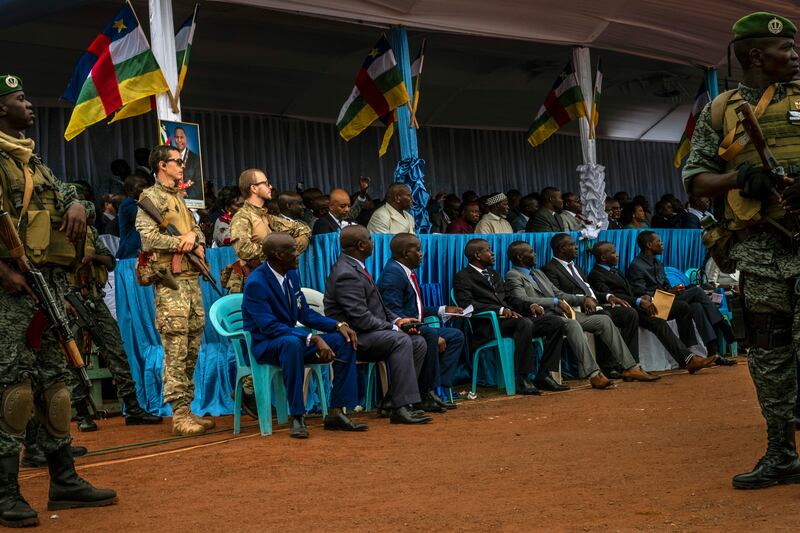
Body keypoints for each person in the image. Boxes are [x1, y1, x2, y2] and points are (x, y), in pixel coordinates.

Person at [681, 11, 800, 489]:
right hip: (758, 253)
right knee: (770, 356)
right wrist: (739, 178)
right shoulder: (720, 110)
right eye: (785, 50)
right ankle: (781, 453)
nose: (793, 57)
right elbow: (695, 179)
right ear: (755, 56)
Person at [0, 74, 116, 526]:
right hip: (12, 291)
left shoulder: (34, 160)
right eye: (20, 99)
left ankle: (64, 480)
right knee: (14, 390)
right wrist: (3, 271)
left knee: (54, 388)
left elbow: (68, 194)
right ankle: (6, 491)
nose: (29, 104)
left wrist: (79, 206)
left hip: (46, 285)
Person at [242, 233, 365, 438]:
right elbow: (269, 327)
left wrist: (338, 325)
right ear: (279, 255)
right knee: (292, 344)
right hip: (267, 345)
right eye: (293, 250)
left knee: (344, 339)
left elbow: (304, 313)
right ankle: (297, 415)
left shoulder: (290, 274)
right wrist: (313, 338)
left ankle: (336, 412)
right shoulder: (256, 283)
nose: (298, 253)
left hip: (292, 341)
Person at [135, 144, 214, 436]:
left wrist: (196, 240)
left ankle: (188, 409)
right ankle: (179, 416)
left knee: (193, 345)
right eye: (176, 162)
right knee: (176, 348)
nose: (181, 166)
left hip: (191, 281)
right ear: (161, 166)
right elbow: (148, 239)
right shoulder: (150, 198)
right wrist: (182, 243)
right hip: (171, 282)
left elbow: (198, 231)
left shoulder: (178, 197)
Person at [64, 208, 163, 431]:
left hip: (93, 299)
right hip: (70, 301)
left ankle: (133, 407)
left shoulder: (90, 235)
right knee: (75, 358)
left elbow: (110, 262)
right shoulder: (57, 236)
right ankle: (82, 414)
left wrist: (92, 257)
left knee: (116, 350)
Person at [323, 225, 432, 424]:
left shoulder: (356, 266)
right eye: (371, 240)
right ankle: (400, 408)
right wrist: (394, 327)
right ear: (361, 245)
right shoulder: (346, 273)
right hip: (354, 337)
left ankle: (393, 402)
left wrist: (399, 320)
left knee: (418, 342)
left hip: (369, 333)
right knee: (400, 340)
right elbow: (360, 319)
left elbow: (378, 307)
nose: (374, 243)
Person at [452, 239, 567, 395]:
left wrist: (529, 306)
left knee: (555, 322)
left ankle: (544, 374)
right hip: (489, 326)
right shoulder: (463, 277)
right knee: (524, 323)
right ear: (477, 255)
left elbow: (509, 298)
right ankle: (522, 378)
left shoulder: (493, 274)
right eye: (488, 250)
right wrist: (500, 309)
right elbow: (467, 305)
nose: (493, 253)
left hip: (513, 322)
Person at [505, 241, 624, 389]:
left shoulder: (538, 273)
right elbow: (522, 299)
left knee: (603, 319)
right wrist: (555, 301)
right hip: (542, 317)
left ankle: (630, 366)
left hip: (561, 313)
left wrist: (583, 299)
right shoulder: (513, 275)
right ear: (520, 257)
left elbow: (559, 293)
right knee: (572, 324)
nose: (535, 254)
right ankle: (594, 374)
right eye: (531, 251)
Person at [587, 241, 719, 373]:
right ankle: (635, 367)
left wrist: (645, 297)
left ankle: (689, 356)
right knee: (659, 321)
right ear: (603, 257)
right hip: (626, 311)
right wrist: (638, 301)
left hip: (638, 306)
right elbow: (612, 296)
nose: (618, 255)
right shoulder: (596, 275)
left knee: (680, 309)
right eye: (613, 252)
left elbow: (630, 291)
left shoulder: (616, 271)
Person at [542, 233, 653, 376]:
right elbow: (558, 295)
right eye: (572, 245)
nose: (576, 247)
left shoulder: (576, 267)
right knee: (604, 316)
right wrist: (584, 299)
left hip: (597, 305)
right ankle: (609, 366)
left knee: (630, 313)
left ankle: (631, 365)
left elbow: (590, 291)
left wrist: (609, 296)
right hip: (579, 310)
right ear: (561, 248)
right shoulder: (550, 269)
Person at [377, 234, 465, 411]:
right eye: (417, 249)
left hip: (415, 325)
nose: (421, 253)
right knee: (431, 335)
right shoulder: (393, 274)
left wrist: (443, 310)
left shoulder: (404, 271)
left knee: (455, 336)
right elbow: (392, 311)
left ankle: (436, 388)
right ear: (405, 253)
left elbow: (415, 308)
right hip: (399, 329)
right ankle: (425, 393)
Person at [627, 231, 736, 362]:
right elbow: (641, 294)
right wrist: (670, 292)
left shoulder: (658, 263)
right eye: (658, 242)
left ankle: (712, 351)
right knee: (697, 291)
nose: (662, 244)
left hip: (668, 300)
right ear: (649, 245)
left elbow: (666, 286)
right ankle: (723, 325)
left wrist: (675, 290)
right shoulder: (637, 266)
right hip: (654, 305)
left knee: (696, 306)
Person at [226, 169, 310, 293]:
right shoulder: (242, 217)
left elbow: (303, 229)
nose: (270, 186)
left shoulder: (266, 216)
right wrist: (279, 250)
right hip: (255, 280)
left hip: (272, 277)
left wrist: (290, 248)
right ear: (254, 188)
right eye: (265, 183)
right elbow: (243, 250)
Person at [115, 175, 147, 259]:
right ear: (130, 190)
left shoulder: (141, 202)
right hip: (130, 254)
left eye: (145, 185)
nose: (145, 189)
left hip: (141, 253)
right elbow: (145, 216)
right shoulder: (128, 205)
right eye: (140, 186)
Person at [171, 126, 201, 199]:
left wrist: (186, 194)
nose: (179, 140)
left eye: (182, 137)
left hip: (190, 200)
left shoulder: (196, 159)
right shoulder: (169, 157)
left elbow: (199, 183)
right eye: (176, 137)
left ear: (186, 138)